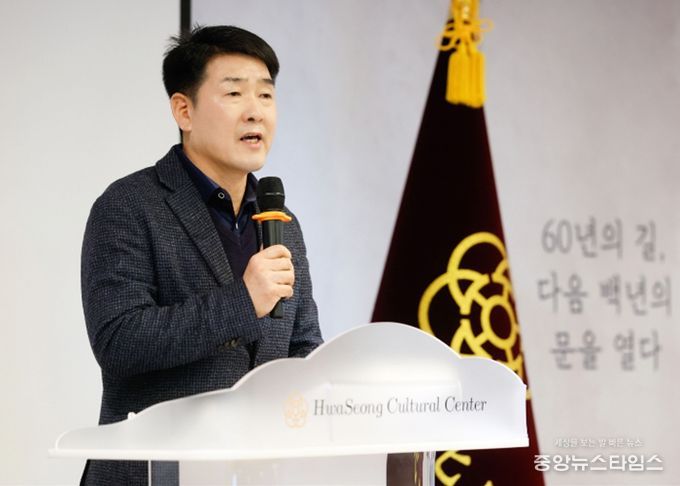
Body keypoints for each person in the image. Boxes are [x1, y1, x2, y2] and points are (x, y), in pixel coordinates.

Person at [79, 25, 323, 485]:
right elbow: (119, 342)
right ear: (184, 110)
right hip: (154, 473)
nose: (255, 112)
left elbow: (303, 346)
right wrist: (242, 302)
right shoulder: (128, 205)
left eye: (266, 96)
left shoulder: (280, 221)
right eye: (234, 93)